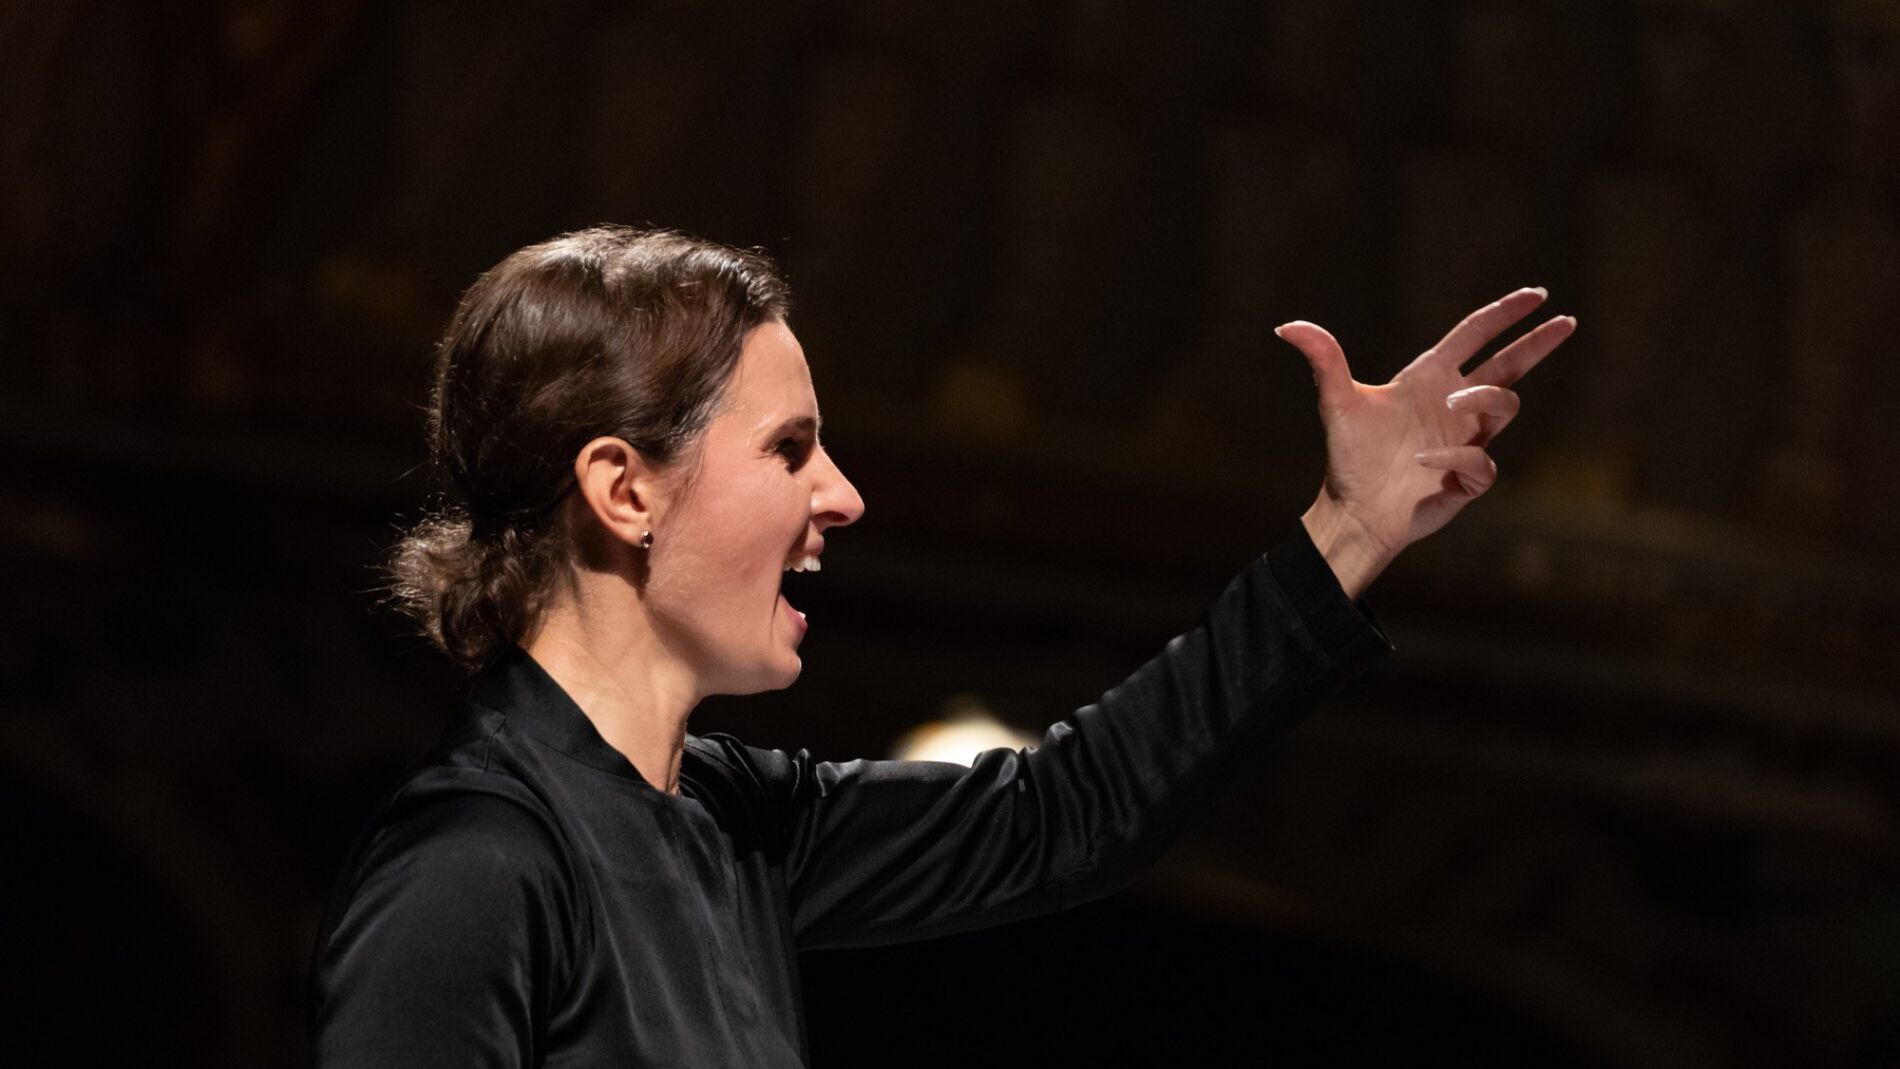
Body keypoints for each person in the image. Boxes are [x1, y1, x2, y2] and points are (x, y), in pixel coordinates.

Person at [308, 225, 1574, 1066]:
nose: (843, 496)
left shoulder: (729, 823)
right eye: (789, 450)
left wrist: (1349, 528)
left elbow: (1064, 813)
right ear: (623, 489)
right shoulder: (474, 865)